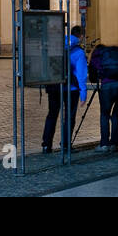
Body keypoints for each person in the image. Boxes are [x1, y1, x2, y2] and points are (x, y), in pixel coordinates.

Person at [42, 25, 88, 153]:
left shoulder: (57, 46)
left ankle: (46, 145)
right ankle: (66, 145)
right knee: (69, 117)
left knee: (52, 115)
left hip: (54, 86)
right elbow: (81, 74)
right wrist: (83, 93)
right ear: (81, 36)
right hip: (71, 89)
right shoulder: (78, 52)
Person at [89, 43, 118, 152]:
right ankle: (115, 144)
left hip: (108, 88)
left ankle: (104, 145)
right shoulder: (115, 54)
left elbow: (92, 78)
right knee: (116, 114)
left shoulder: (96, 56)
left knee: (105, 114)